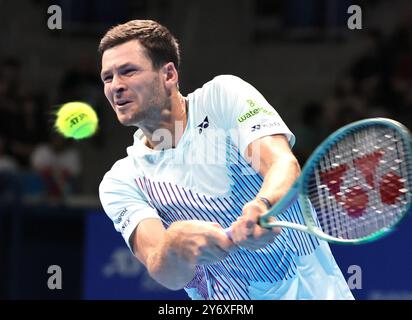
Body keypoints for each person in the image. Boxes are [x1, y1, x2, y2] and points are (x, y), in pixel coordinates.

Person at [98, 19, 354, 300]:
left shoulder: (222, 98)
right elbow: (164, 271)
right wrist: (176, 245)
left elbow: (282, 164)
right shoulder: (121, 181)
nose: (115, 87)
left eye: (128, 72)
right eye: (107, 78)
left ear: (169, 74)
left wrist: (262, 204)